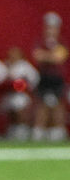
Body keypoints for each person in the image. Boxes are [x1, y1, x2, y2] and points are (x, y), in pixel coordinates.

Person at [32, 11, 68, 141]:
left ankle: (58, 130)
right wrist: (51, 56)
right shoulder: (40, 41)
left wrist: (46, 56)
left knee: (58, 104)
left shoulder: (62, 42)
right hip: (44, 76)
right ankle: (39, 130)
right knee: (41, 104)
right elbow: (37, 56)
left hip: (57, 77)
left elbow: (60, 58)